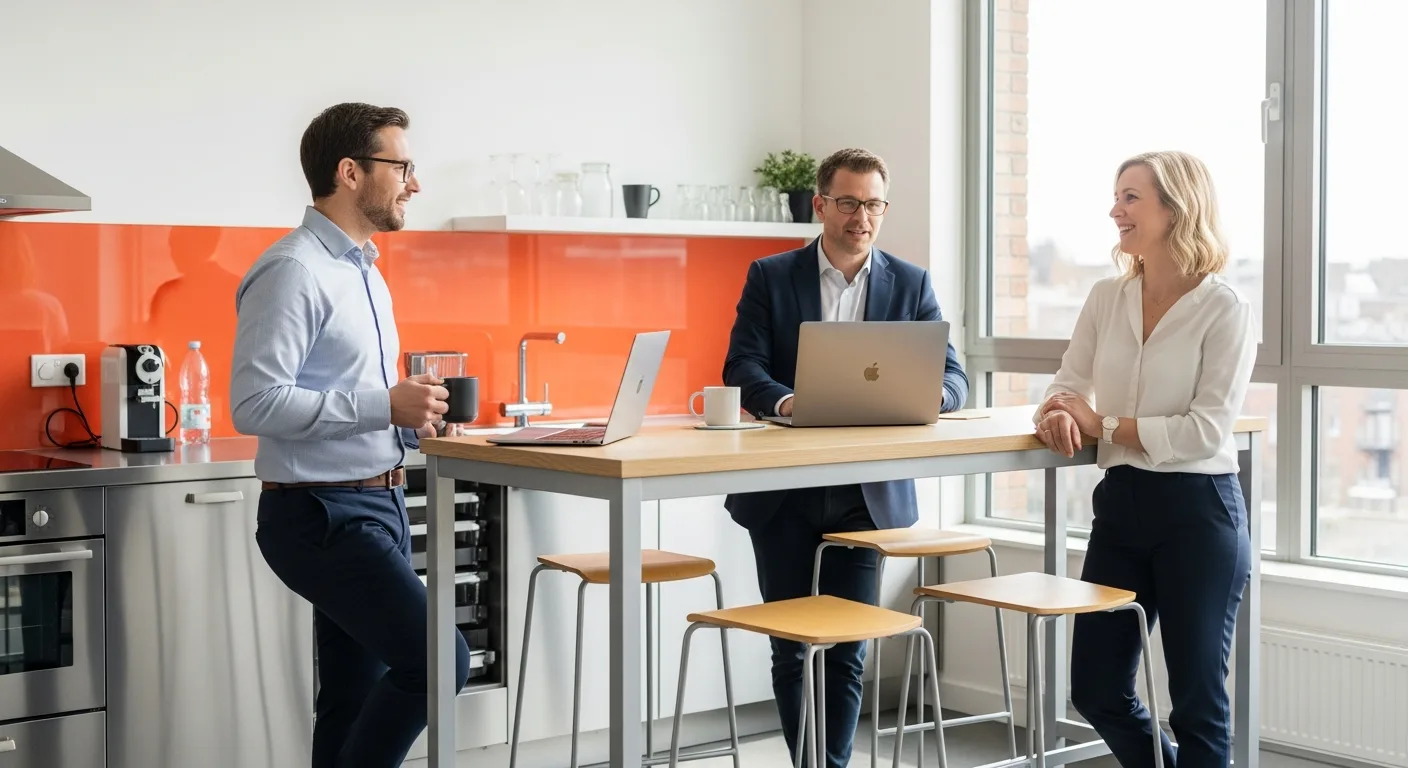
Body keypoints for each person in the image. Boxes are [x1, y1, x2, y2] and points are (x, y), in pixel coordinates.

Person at [230, 102, 471, 768]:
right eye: (402, 166)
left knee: (351, 696)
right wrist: (382, 404)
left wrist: (417, 422)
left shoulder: (364, 271)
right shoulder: (293, 270)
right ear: (350, 173)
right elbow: (253, 403)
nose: (414, 183)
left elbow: (363, 402)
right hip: (320, 515)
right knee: (439, 663)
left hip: (378, 503)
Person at [722, 147, 968, 768]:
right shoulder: (771, 276)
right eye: (851, 202)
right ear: (821, 205)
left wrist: (927, 394)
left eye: (875, 204)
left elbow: (955, 376)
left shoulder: (910, 283)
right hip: (782, 491)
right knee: (791, 644)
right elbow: (741, 366)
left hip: (866, 493)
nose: (863, 216)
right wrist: (784, 403)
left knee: (847, 644)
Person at [1035, 150, 1257, 768]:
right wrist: (1058, 410)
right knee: (1097, 689)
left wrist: (1101, 422)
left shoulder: (1225, 308)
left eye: (1131, 197)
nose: (1116, 209)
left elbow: (1205, 431)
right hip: (1123, 504)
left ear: (1175, 208)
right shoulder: (1107, 297)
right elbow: (1067, 382)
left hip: (1198, 511)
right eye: (1117, 195)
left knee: (1196, 705)